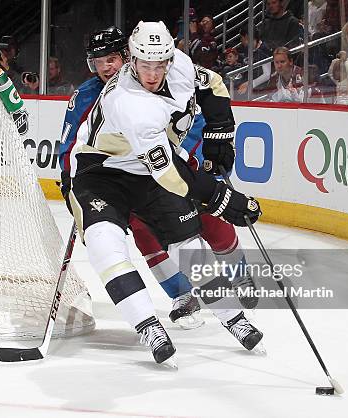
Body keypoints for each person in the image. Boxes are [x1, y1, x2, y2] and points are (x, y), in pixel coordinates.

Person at [67, 21, 263, 365]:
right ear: (133, 60)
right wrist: (221, 198)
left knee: (187, 242)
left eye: (160, 64)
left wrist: (220, 132)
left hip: (146, 170)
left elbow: (213, 85)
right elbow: (170, 172)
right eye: (145, 65)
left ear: (170, 57)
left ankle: (234, 317)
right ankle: (147, 325)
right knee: (104, 243)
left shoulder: (181, 65)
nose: (153, 73)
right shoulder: (128, 102)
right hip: (100, 174)